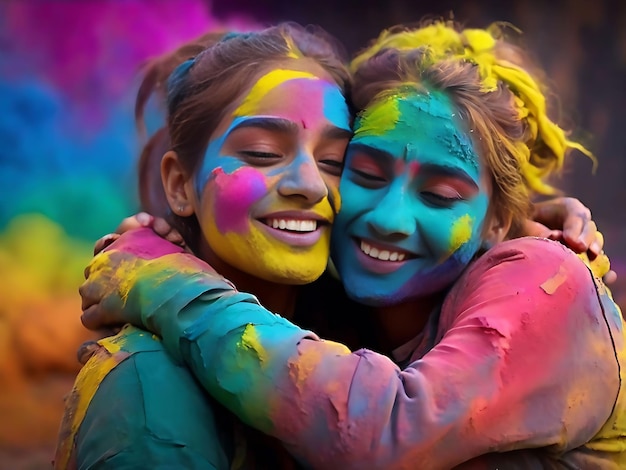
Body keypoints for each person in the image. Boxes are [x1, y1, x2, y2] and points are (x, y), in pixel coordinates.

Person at [79, 20, 625, 469]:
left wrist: (170, 284)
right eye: (362, 172)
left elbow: (383, 431)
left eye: (437, 194)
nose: (388, 218)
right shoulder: (332, 317)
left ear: (496, 222)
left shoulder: (542, 276)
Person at [54, 22, 354, 469]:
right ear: (180, 186)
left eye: (335, 162)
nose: (311, 184)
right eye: (262, 153)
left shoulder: (352, 334)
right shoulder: (148, 385)